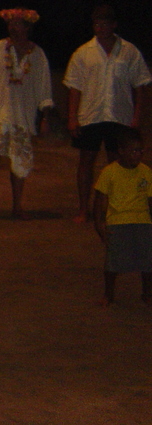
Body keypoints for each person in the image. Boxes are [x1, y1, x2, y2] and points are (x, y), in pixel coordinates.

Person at [65, 6, 152, 223]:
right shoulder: (83, 52)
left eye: (104, 23)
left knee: (118, 163)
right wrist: (72, 117)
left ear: (114, 25)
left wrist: (136, 117)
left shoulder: (129, 52)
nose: (100, 28)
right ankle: (84, 209)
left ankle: (114, 208)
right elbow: (74, 87)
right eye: (96, 24)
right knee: (86, 162)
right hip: (90, 116)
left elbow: (140, 86)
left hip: (119, 117)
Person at [0, 9, 54, 220]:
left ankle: (17, 206)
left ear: (28, 28)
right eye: (11, 24)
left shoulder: (37, 55)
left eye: (18, 24)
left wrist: (44, 117)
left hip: (23, 116)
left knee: (18, 161)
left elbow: (44, 89)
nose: (13, 28)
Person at [92, 127, 152, 306]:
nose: (138, 155)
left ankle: (147, 293)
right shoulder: (110, 172)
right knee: (113, 262)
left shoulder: (145, 171)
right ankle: (108, 294)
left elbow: (150, 199)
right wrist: (99, 222)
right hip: (118, 222)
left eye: (140, 151)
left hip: (142, 221)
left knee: (147, 261)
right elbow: (100, 199)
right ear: (122, 151)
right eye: (134, 151)